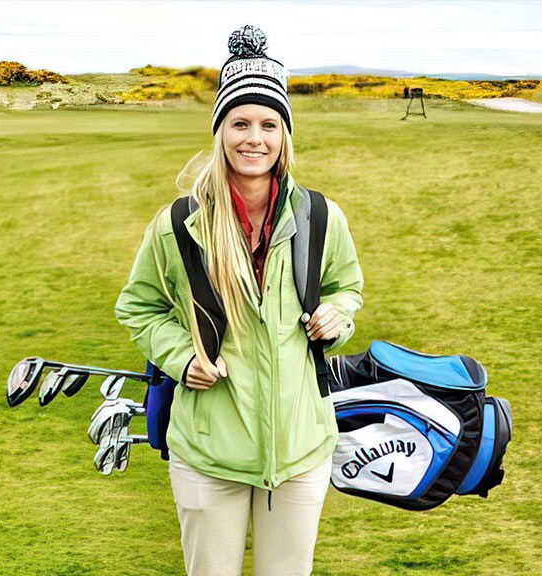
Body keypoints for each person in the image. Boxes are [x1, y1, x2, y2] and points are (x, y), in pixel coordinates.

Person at [114, 25, 364, 576]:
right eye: (240, 123)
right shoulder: (178, 225)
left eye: (269, 124)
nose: (255, 138)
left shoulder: (321, 217)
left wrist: (337, 316)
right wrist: (181, 357)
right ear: (220, 131)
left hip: (300, 453)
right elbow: (138, 307)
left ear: (285, 135)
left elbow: (348, 287)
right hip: (207, 455)